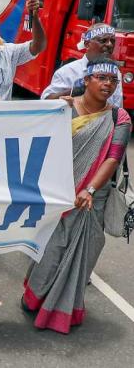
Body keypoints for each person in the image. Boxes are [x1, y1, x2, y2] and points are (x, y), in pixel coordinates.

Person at [23, 58, 131, 334]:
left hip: (92, 198)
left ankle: (63, 308)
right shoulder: (62, 109)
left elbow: (113, 158)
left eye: (113, 81)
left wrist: (90, 189)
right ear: (86, 80)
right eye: (101, 79)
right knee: (51, 251)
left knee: (84, 252)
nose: (108, 85)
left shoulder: (119, 117)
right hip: (58, 194)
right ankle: (35, 297)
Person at [41, 23, 122, 106]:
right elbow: (45, 102)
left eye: (112, 41)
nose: (109, 44)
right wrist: (74, 91)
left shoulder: (115, 73)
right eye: (103, 40)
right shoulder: (67, 72)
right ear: (87, 44)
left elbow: (118, 105)